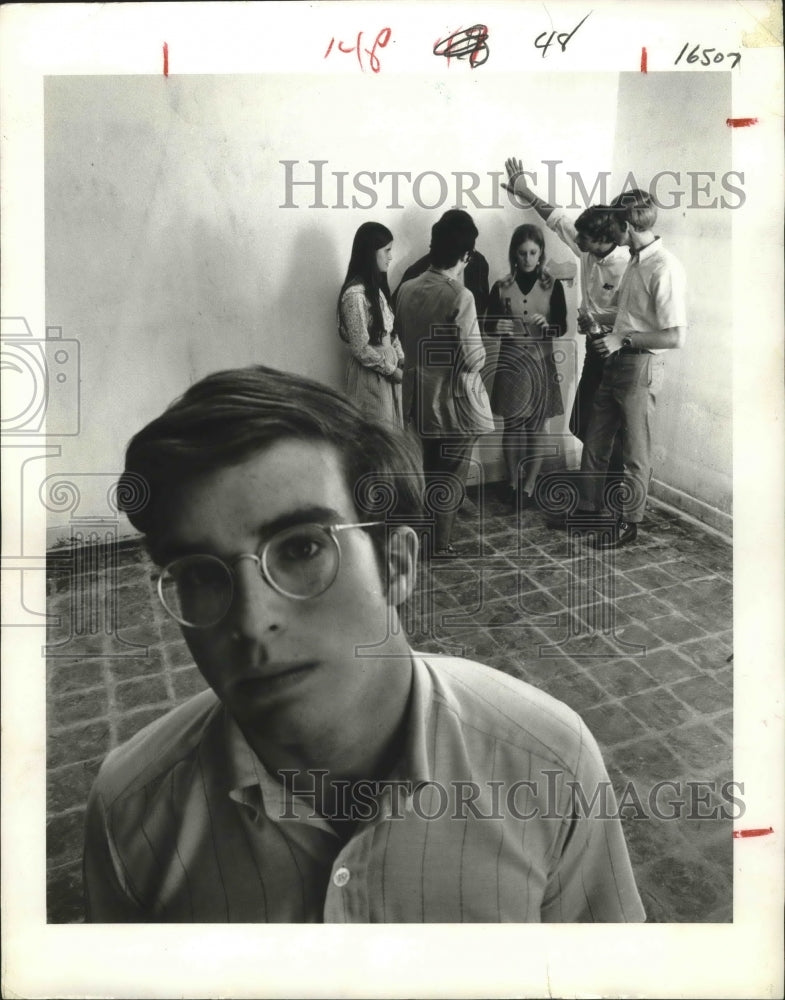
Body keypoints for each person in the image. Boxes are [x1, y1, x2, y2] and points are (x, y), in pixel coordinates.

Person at [84, 365, 645, 922]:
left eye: (302, 549)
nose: (252, 621)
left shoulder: (551, 763)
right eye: (202, 575)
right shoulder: (130, 814)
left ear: (397, 564)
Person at [547, 190, 688, 547]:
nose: (612, 235)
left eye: (615, 226)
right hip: (613, 361)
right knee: (594, 440)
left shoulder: (664, 267)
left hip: (638, 366)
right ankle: (588, 511)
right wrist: (597, 321)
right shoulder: (637, 261)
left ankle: (629, 523)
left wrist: (621, 341)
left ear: (626, 225)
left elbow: (675, 336)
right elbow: (627, 316)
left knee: (634, 452)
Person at [504, 157, 630, 495]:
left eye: (584, 239)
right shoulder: (589, 249)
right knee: (582, 423)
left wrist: (601, 320)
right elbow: (557, 219)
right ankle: (597, 490)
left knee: (609, 426)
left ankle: (612, 490)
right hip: (594, 350)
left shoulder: (626, 267)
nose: (578, 242)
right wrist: (526, 192)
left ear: (602, 239)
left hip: (619, 352)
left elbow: (636, 317)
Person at [393, 211, 493, 555]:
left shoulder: (405, 289)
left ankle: (418, 538)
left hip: (417, 396)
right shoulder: (460, 296)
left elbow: (404, 342)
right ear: (466, 256)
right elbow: (472, 360)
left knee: (425, 470)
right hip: (454, 401)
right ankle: (441, 544)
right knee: (450, 474)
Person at [484, 224, 567, 509]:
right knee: (512, 425)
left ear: (541, 253)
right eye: (522, 253)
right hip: (511, 363)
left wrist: (549, 325)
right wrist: (497, 325)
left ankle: (529, 486)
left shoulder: (552, 285)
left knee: (536, 426)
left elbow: (562, 326)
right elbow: (488, 325)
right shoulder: (501, 285)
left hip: (540, 362)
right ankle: (512, 482)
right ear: (514, 255)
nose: (528, 258)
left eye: (533, 252)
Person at [338, 221, 404, 428]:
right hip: (371, 377)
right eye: (386, 250)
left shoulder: (377, 291)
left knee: (392, 434)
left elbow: (389, 332)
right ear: (370, 253)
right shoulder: (355, 295)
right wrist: (392, 370)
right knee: (375, 433)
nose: (390, 256)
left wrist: (400, 357)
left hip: (388, 371)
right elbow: (360, 348)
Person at [392, 208, 490, 317]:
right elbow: (395, 315)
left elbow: (483, 306)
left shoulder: (479, 263)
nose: (471, 253)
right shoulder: (415, 271)